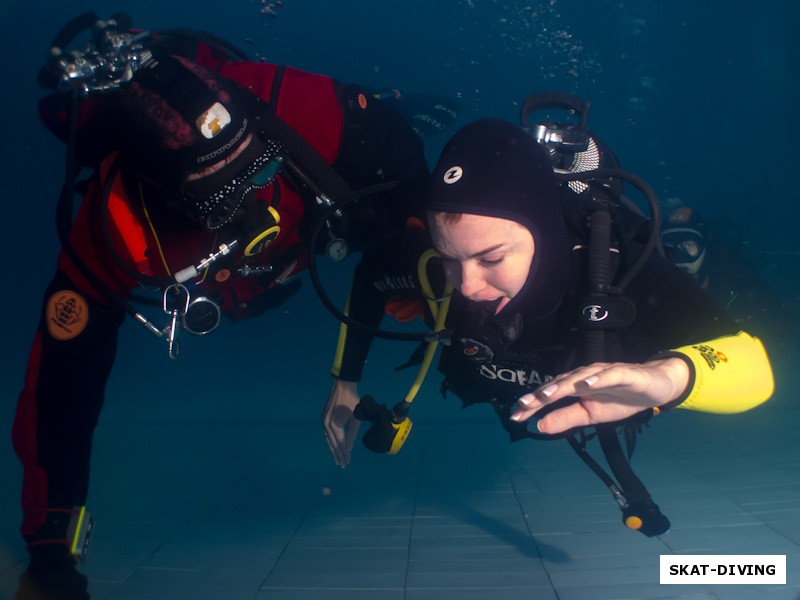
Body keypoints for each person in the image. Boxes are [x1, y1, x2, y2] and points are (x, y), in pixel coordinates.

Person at [12, 15, 429, 598]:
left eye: (254, 171)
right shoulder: (110, 231)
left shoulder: (292, 104)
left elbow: (402, 163)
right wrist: (51, 549)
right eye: (220, 198)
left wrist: (416, 249)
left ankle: (398, 103)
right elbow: (61, 390)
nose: (250, 202)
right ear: (168, 199)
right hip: (234, 284)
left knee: (376, 184)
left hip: (303, 225)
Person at [321, 117, 774, 537]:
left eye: (492, 258)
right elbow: (370, 277)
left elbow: (753, 366)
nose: (467, 286)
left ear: (544, 233)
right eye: (450, 258)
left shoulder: (618, 270)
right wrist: (346, 381)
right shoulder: (433, 269)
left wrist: (668, 378)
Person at [660, 202, 796, 361]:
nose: (678, 255)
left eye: (688, 245)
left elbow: (778, 331)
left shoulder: (739, 284)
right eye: (669, 245)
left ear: (705, 248)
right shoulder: (654, 287)